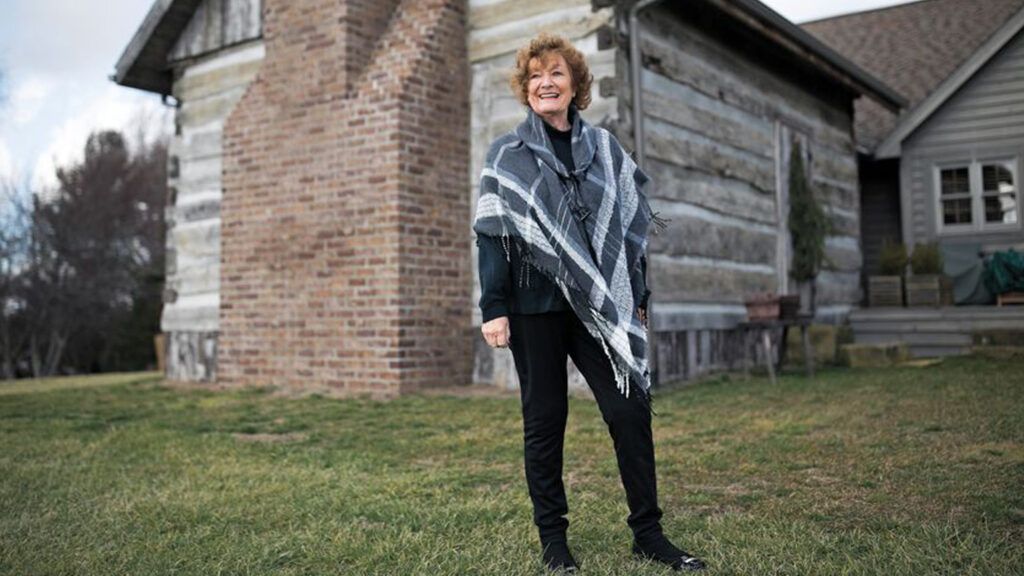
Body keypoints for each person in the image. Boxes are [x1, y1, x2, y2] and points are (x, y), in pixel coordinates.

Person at [472, 34, 707, 573]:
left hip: (600, 306)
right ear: (525, 88)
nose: (544, 83)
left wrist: (639, 298)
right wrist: (493, 306)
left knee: (630, 408)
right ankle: (554, 541)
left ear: (575, 84)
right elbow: (491, 232)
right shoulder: (505, 153)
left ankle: (648, 533)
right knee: (545, 419)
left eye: (555, 73)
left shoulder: (604, 148)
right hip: (533, 307)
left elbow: (629, 228)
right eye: (534, 76)